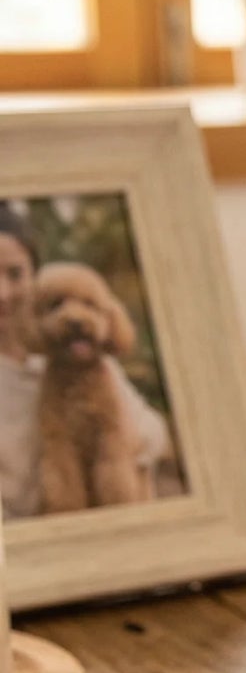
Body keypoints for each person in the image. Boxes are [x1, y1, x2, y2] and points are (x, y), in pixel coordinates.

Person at [0, 205, 174, 520]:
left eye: (15, 273)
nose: (2, 293)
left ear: (34, 274)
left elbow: (153, 436)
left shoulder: (88, 358)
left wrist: (118, 440)